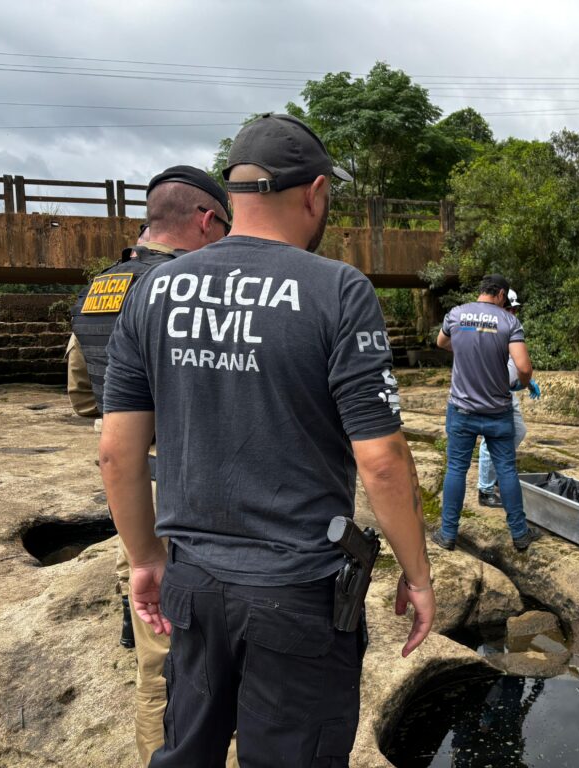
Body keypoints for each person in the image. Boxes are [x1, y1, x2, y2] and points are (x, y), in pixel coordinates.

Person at [100, 113, 436, 766]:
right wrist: (417, 573)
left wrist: (144, 558)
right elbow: (383, 462)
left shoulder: (152, 291)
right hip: (300, 595)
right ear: (313, 193)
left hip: (192, 586)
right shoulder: (339, 291)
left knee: (185, 752)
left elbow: (117, 451)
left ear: (234, 193)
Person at [67, 165, 231, 766]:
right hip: (189, 486)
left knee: (153, 640)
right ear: (207, 220)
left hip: (132, 485)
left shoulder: (99, 288)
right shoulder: (190, 287)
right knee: (170, 655)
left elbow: (84, 396)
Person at [435, 274, 542, 551]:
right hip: (497, 410)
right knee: (506, 470)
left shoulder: (456, 315)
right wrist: (525, 382)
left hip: (461, 409)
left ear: (481, 291)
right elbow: (524, 366)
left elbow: (441, 343)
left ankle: (448, 535)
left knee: (456, 469)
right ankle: (519, 534)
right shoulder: (509, 321)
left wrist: (464, 347)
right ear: (502, 295)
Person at [476, 289, 540, 508]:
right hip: (493, 392)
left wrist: (525, 381)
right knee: (490, 439)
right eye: (510, 308)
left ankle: (493, 478)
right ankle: (485, 489)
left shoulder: (510, 326)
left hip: (507, 390)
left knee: (517, 431)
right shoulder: (490, 327)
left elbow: (515, 360)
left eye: (515, 309)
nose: (513, 312)